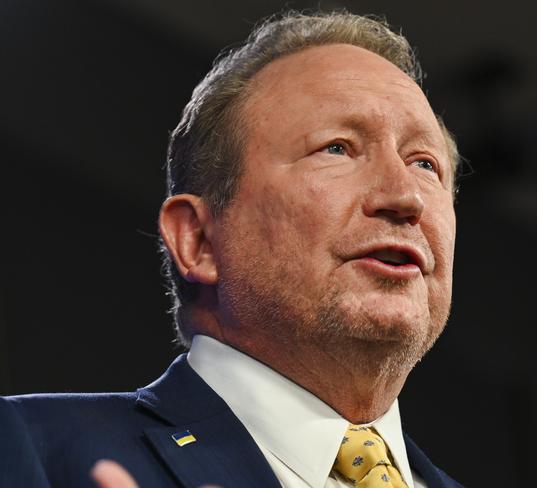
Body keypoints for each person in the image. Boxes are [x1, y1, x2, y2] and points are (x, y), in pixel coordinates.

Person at [1, 10, 463, 488]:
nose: (404, 197)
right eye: (337, 148)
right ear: (198, 239)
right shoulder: (28, 451)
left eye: (424, 163)